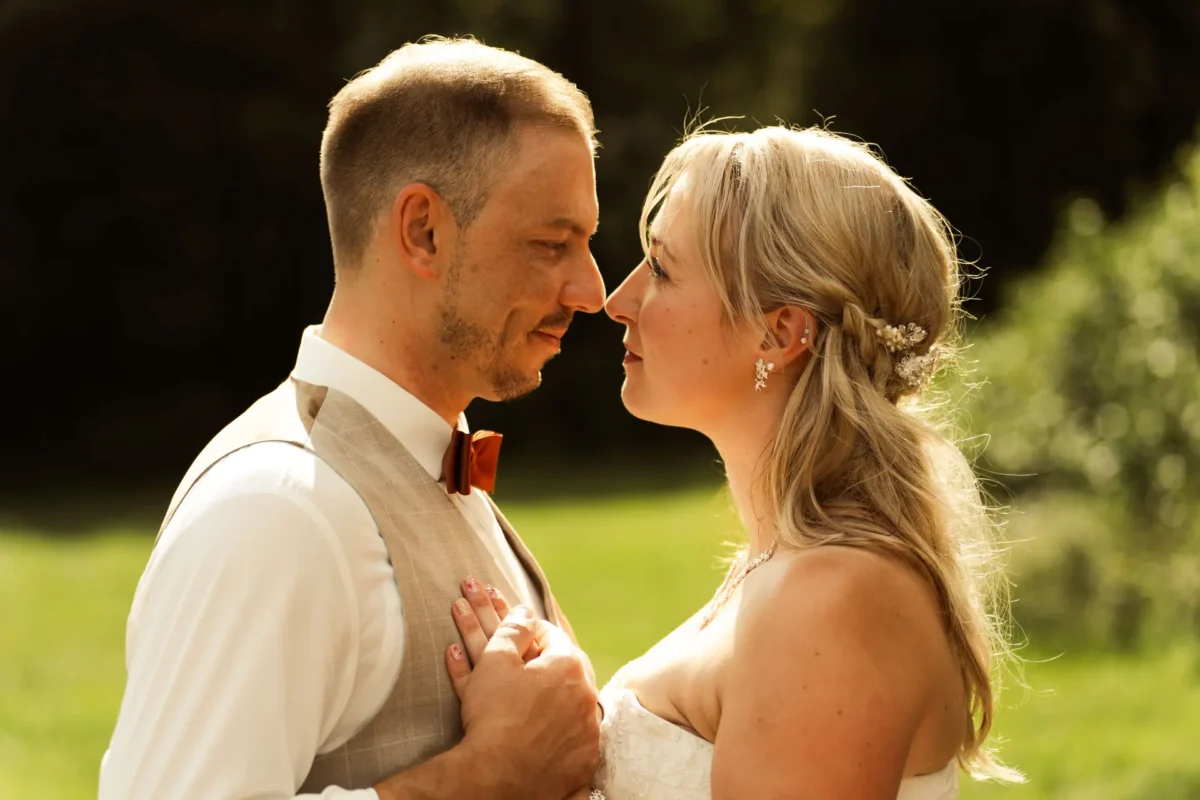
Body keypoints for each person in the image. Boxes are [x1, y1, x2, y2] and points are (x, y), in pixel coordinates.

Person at [446, 123, 1022, 798]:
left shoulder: (831, 598)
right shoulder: (785, 564)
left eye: (661, 268)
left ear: (778, 331)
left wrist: (507, 775)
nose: (617, 300)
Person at [98, 37, 607, 800]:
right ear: (423, 231)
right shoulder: (275, 511)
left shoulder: (437, 466)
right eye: (550, 244)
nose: (590, 290)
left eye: (586, 245)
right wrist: (485, 779)